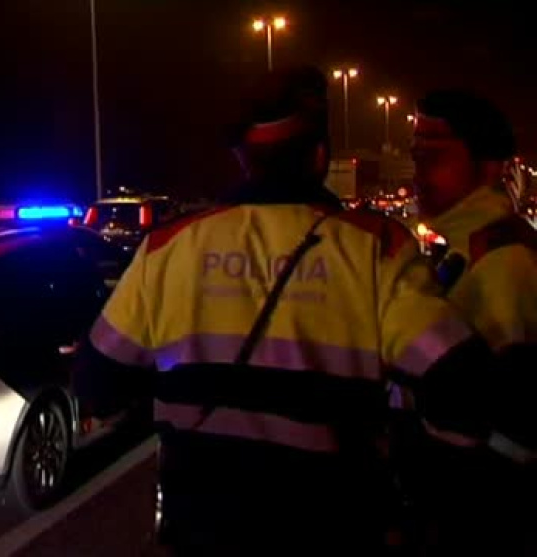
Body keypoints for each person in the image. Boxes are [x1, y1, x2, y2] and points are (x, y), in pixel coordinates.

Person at [71, 67, 514, 556]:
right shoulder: (374, 247)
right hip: (331, 531)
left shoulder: (168, 247)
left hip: (200, 530)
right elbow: (461, 384)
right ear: (320, 156)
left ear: (242, 158)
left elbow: (96, 387)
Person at [408, 89, 536, 554]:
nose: (419, 174)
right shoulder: (467, 253)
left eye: (436, 158)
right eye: (416, 157)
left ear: (489, 167)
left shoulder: (506, 265)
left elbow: (520, 425)